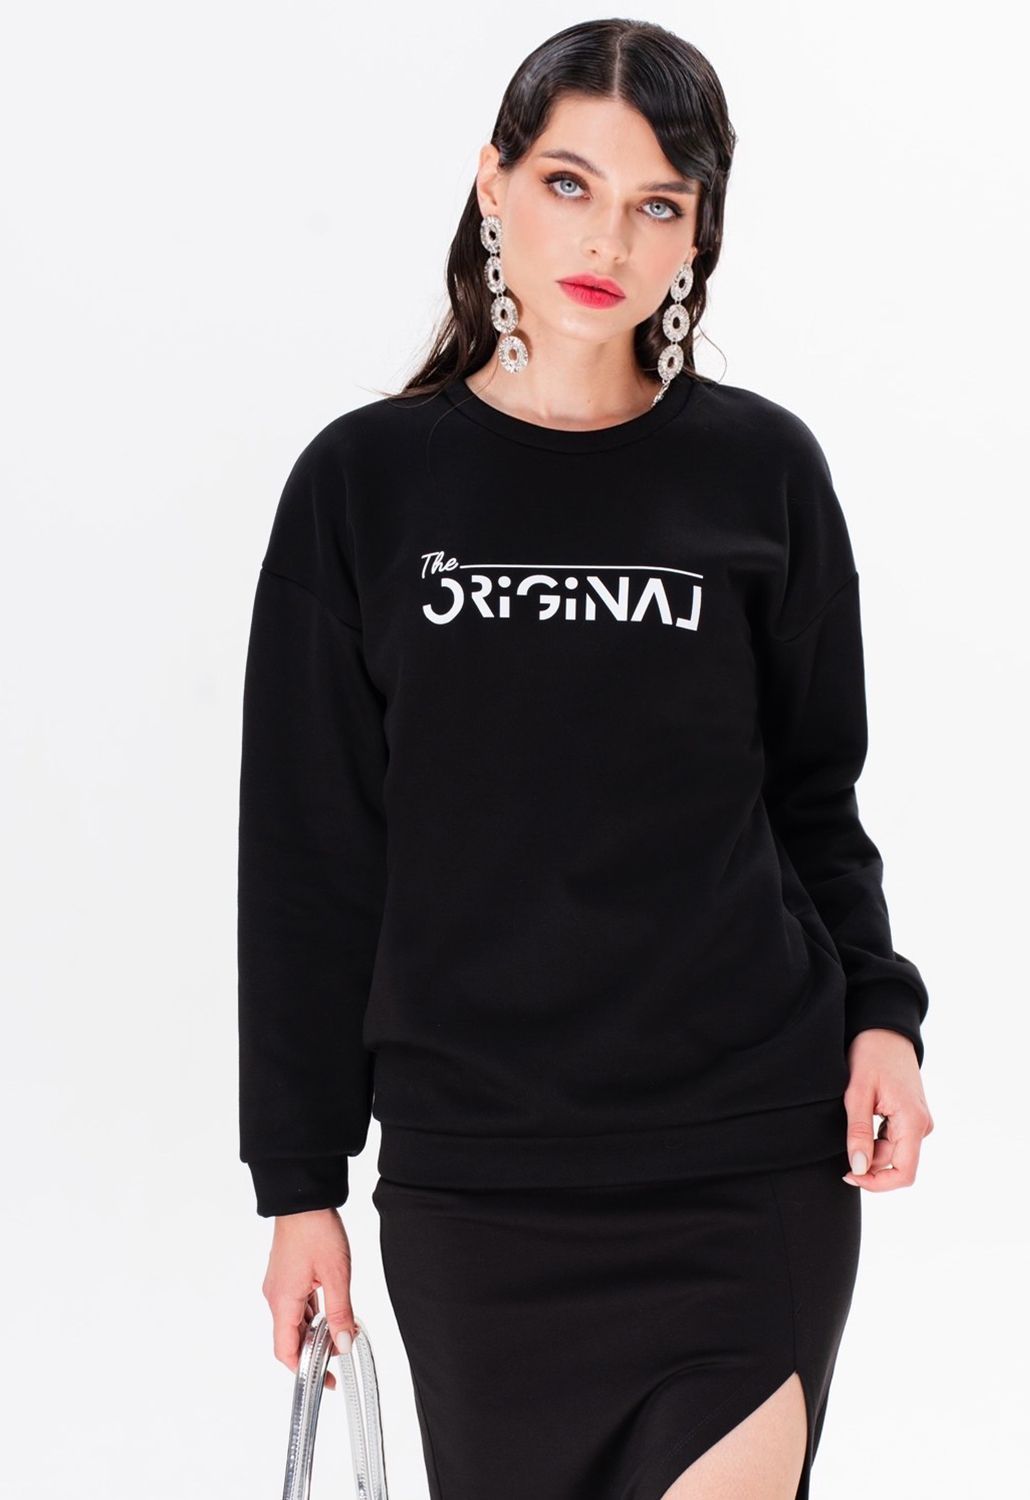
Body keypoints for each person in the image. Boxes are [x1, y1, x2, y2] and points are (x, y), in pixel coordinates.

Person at [237, 18, 935, 1499]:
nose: (608, 239)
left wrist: (885, 1017)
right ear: (492, 182)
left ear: (699, 231)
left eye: (656, 202)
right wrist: (300, 1188)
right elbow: (308, 861)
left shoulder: (762, 472)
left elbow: (815, 798)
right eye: (569, 183)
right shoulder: (363, 486)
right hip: (480, 1183)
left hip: (745, 1153)